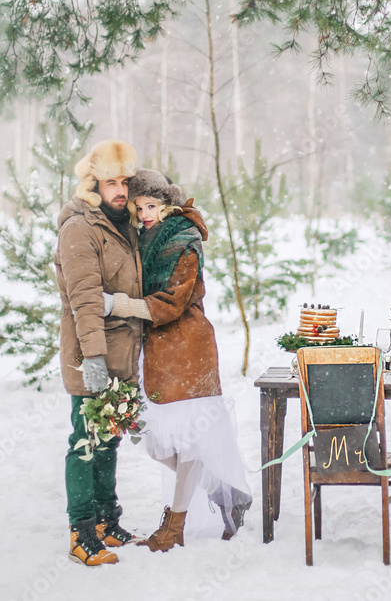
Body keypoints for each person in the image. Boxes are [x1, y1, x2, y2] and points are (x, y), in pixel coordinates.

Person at [105, 168, 252, 551]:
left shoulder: (183, 241)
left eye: (151, 205)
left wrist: (122, 305)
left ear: (166, 203)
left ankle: (175, 526)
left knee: (188, 443)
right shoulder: (146, 238)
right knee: (156, 445)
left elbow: (172, 302)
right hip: (157, 350)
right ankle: (226, 493)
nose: (144, 214)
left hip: (188, 347)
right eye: (139, 208)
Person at [55, 139, 143, 566]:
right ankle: (81, 530)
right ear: (94, 183)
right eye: (112, 182)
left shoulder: (121, 223)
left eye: (125, 181)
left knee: (109, 439)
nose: (121, 190)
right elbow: (85, 298)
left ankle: (107, 520)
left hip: (121, 352)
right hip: (91, 351)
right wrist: (92, 357)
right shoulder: (79, 227)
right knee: (85, 442)